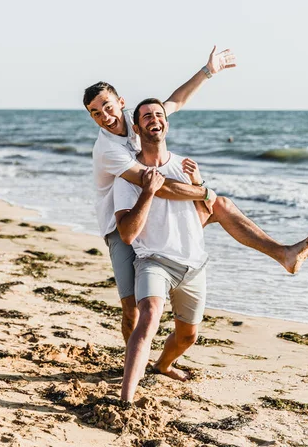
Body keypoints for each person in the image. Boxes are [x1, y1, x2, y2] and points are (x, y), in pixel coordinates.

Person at [83, 48, 308, 343]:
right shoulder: (107, 150)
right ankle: (133, 358)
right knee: (132, 310)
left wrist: (208, 71)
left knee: (222, 205)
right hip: (123, 223)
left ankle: (283, 253)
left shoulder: (138, 118)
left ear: (121, 103)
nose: (105, 116)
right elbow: (158, 185)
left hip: (158, 209)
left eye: (108, 106)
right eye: (96, 113)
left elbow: (175, 102)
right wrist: (203, 189)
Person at [113, 98, 210, 402]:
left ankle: (163, 365)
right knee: (150, 315)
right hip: (153, 260)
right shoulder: (129, 174)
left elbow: (205, 214)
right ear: (138, 127)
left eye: (159, 114)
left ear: (166, 123)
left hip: (193, 264)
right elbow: (127, 234)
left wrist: (199, 182)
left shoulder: (184, 166)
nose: (154, 119)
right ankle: (125, 399)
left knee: (187, 336)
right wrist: (148, 191)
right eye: (146, 116)